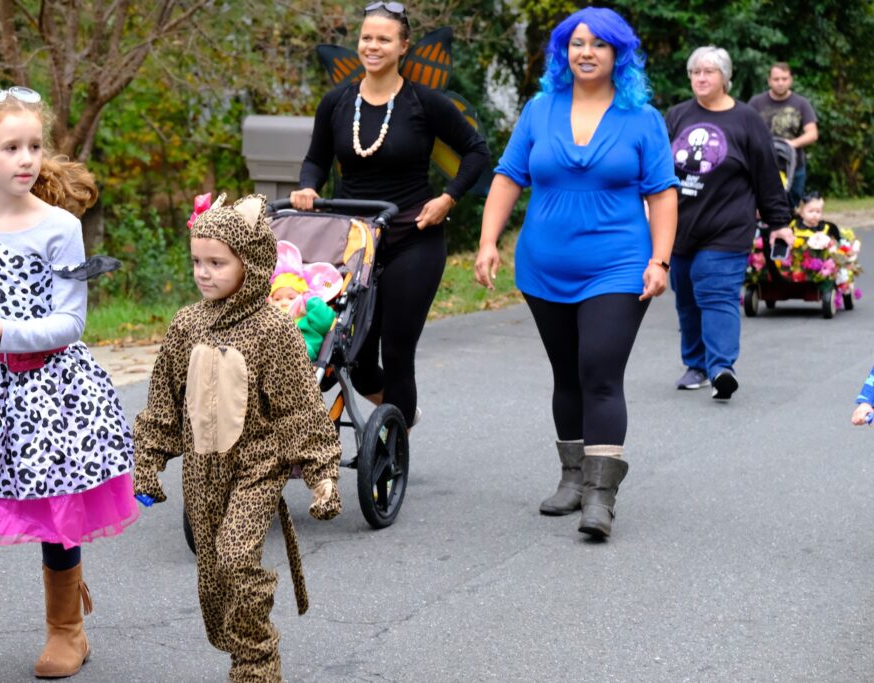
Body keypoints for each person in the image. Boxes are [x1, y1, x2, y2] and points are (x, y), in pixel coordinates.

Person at [0, 85, 138, 682]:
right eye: (11, 146)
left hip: (48, 393)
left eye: (34, 146)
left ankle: (68, 632)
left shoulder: (60, 227)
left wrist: (5, 332)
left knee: (54, 510)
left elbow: (70, 320)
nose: (26, 159)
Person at [474, 7, 678, 539]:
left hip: (618, 265)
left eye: (599, 44)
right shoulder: (540, 109)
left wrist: (660, 259)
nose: (586, 52)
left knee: (599, 371)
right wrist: (488, 241)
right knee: (567, 374)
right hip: (544, 265)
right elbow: (507, 177)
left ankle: (600, 496)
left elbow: (662, 193)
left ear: (619, 55)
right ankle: (571, 477)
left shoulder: (642, 119)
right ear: (564, 53)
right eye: (576, 43)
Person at [132, 193, 342, 682]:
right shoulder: (186, 324)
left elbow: (301, 410)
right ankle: (239, 648)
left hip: (256, 467)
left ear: (251, 262)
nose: (204, 272)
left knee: (236, 559)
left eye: (217, 262)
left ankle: (256, 666)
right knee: (213, 577)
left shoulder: (274, 330)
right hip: (202, 470)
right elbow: (164, 399)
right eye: (197, 262)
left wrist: (322, 476)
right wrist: (148, 460)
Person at [289, 1, 490, 428]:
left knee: (397, 350)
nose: (372, 46)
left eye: (383, 39)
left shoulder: (425, 102)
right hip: (354, 243)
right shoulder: (337, 103)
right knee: (355, 356)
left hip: (412, 236)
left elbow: (476, 152)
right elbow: (316, 160)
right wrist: (308, 186)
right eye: (366, 38)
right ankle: (399, 419)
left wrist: (448, 198)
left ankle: (390, 452)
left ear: (403, 46)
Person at [666, 47, 794, 400]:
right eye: (695, 72)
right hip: (680, 227)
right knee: (686, 297)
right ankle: (695, 364)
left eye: (709, 72)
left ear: (725, 77)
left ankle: (721, 367)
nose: (701, 78)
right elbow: (657, 172)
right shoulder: (676, 116)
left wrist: (778, 222)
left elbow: (767, 174)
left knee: (717, 293)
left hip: (728, 227)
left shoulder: (747, 119)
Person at [748, 62, 818, 207]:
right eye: (776, 79)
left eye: (784, 79)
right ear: (769, 81)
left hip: (793, 166)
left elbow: (812, 133)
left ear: (791, 80)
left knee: (791, 206)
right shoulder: (756, 103)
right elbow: (744, 129)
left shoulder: (801, 103)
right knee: (760, 205)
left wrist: (791, 144)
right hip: (763, 165)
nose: (780, 83)